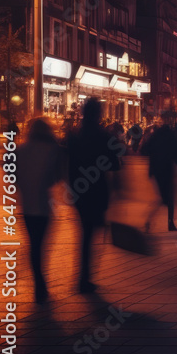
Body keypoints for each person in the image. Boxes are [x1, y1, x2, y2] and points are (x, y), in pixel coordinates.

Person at [65, 98, 120, 293]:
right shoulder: (104, 136)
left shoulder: (74, 135)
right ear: (99, 114)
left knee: (85, 232)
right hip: (98, 191)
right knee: (93, 233)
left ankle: (83, 276)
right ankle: (85, 277)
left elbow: (65, 163)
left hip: (79, 191)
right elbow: (115, 164)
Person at [17, 118, 63, 304]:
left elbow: (12, 175)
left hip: (27, 206)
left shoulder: (19, 151)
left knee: (33, 244)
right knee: (41, 245)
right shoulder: (52, 150)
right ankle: (40, 284)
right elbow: (57, 177)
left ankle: (39, 284)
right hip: (44, 206)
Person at [143, 110, 177, 232]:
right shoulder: (172, 135)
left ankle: (151, 220)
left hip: (156, 169)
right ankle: (169, 222)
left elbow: (145, 149)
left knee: (163, 197)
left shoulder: (155, 134)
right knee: (168, 198)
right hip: (167, 168)